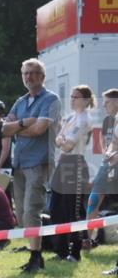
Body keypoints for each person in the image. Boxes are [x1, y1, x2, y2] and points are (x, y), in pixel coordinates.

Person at [1, 58, 61, 273]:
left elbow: (40, 130)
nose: (29, 77)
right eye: (25, 73)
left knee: (32, 210)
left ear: (42, 77)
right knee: (23, 213)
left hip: (39, 162)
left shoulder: (51, 99)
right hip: (20, 163)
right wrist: (26, 122)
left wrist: (17, 127)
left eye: (33, 73)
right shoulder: (20, 101)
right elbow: (4, 130)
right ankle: (34, 254)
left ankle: (36, 257)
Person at [49, 85, 95, 262]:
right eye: (72, 96)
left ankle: (75, 252)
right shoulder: (70, 117)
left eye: (76, 97)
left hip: (75, 164)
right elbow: (58, 138)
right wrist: (62, 140)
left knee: (73, 210)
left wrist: (62, 140)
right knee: (56, 207)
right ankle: (60, 250)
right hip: (63, 163)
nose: (72, 99)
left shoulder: (85, 119)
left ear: (85, 99)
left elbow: (68, 144)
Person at [88, 88, 118, 224]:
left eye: (107, 102)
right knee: (93, 200)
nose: (104, 105)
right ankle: (88, 239)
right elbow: (103, 142)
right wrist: (106, 154)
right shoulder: (107, 121)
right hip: (106, 165)